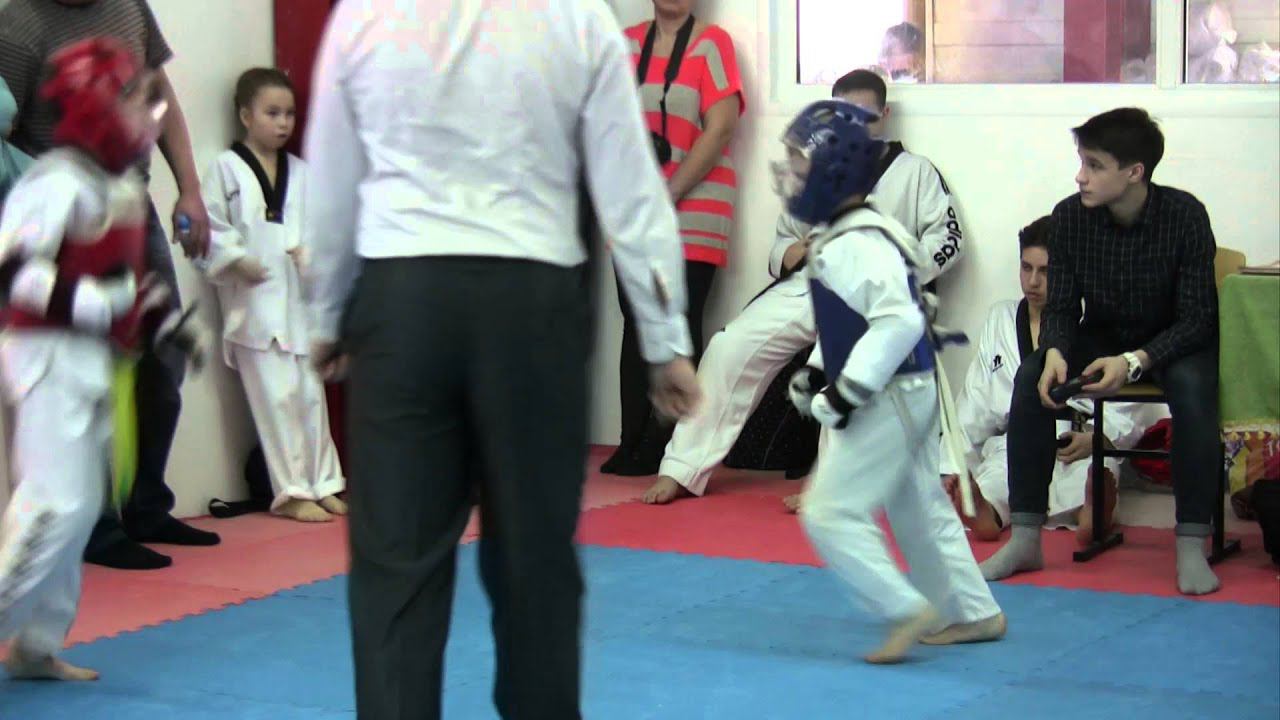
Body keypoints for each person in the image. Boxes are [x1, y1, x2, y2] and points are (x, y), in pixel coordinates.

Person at [303, 1, 701, 717]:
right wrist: (665, 338)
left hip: (403, 302)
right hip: (532, 306)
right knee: (535, 568)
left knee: (396, 572)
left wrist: (325, 313)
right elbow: (630, 187)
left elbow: (333, 178)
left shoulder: (366, 13)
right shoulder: (578, 16)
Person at [643, 68, 965, 504]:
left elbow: (949, 238)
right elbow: (782, 243)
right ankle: (683, 467)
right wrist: (797, 251)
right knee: (729, 345)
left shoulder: (915, 172)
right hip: (810, 287)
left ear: (885, 115)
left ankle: (828, 485)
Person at [0, 37, 203, 681]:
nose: (151, 117)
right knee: (53, 506)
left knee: (82, 507)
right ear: (98, 105)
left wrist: (165, 324)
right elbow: (12, 272)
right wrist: (94, 302)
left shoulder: (117, 187)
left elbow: (126, 282)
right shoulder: (55, 181)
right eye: (139, 101)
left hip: (91, 363)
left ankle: (35, 646)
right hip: (45, 357)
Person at [778, 99, 1004, 664]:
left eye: (798, 165)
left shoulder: (858, 242)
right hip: (903, 389)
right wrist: (819, 370)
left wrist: (848, 390)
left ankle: (903, 608)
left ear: (830, 172)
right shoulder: (848, 234)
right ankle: (974, 612)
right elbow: (854, 319)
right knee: (918, 508)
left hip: (891, 394)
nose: (790, 177)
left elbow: (899, 321)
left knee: (829, 512)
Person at [979, 108, 1224, 596]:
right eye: (1081, 162)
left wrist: (1134, 362)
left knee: (1195, 389)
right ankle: (1026, 538)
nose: (1080, 176)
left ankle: (1191, 543)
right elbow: (1062, 306)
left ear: (1134, 172)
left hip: (1173, 341)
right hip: (1104, 334)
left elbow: (1199, 319)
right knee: (1032, 377)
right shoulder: (1070, 217)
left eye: (1094, 165)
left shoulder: (1186, 216)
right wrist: (1054, 350)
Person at [941, 216, 1153, 544]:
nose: (1033, 282)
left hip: (1077, 439)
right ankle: (985, 512)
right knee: (999, 473)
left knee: (1091, 473)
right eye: (1026, 268)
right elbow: (976, 399)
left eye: (1046, 271)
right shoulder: (1001, 318)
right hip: (1018, 439)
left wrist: (1099, 438)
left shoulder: (1099, 323)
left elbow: (1124, 397)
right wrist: (952, 465)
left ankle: (1092, 513)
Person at [196, 68, 345, 523]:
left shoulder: (303, 173)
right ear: (246, 115)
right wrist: (232, 258)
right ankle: (292, 491)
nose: (283, 123)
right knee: (277, 402)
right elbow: (206, 228)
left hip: (298, 304)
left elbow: (323, 229)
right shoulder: (225, 168)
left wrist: (313, 256)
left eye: (289, 114)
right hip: (255, 305)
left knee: (310, 399)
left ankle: (325, 483)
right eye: (272, 113)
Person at [602, 0, 743, 476]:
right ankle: (631, 439)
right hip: (637, 204)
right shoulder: (626, 44)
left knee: (679, 317)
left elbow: (721, 127)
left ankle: (669, 448)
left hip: (698, 200)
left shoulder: (712, 44)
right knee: (635, 319)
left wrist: (671, 191)